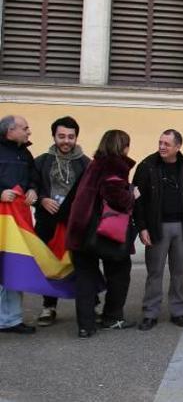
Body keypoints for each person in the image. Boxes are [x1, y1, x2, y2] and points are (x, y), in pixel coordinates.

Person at [66, 129, 136, 338]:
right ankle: (112, 317)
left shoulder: (94, 164)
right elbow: (113, 193)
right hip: (104, 230)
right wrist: (132, 195)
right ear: (122, 146)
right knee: (119, 273)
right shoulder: (115, 165)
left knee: (85, 279)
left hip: (80, 229)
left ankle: (85, 325)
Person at [133, 129, 183, 331]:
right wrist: (142, 227)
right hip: (156, 227)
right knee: (154, 271)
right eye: (160, 142)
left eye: (167, 144)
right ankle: (149, 313)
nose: (162, 147)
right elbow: (138, 201)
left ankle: (178, 312)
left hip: (181, 227)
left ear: (178, 146)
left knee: (178, 271)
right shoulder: (146, 166)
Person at [32, 116, 90, 327]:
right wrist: (41, 200)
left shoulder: (86, 163)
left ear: (76, 137)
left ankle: (91, 304)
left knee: (83, 265)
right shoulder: (41, 161)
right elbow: (31, 186)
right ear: (54, 136)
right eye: (62, 136)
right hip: (47, 223)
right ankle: (49, 306)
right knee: (50, 264)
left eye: (71, 137)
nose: (66, 140)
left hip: (76, 225)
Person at [0, 115, 38, 334]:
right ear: (10, 130)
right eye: (25, 128)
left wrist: (33, 189)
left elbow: (34, 178)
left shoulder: (25, 153)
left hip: (18, 220)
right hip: (2, 218)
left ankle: (11, 319)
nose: (29, 132)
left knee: (15, 267)